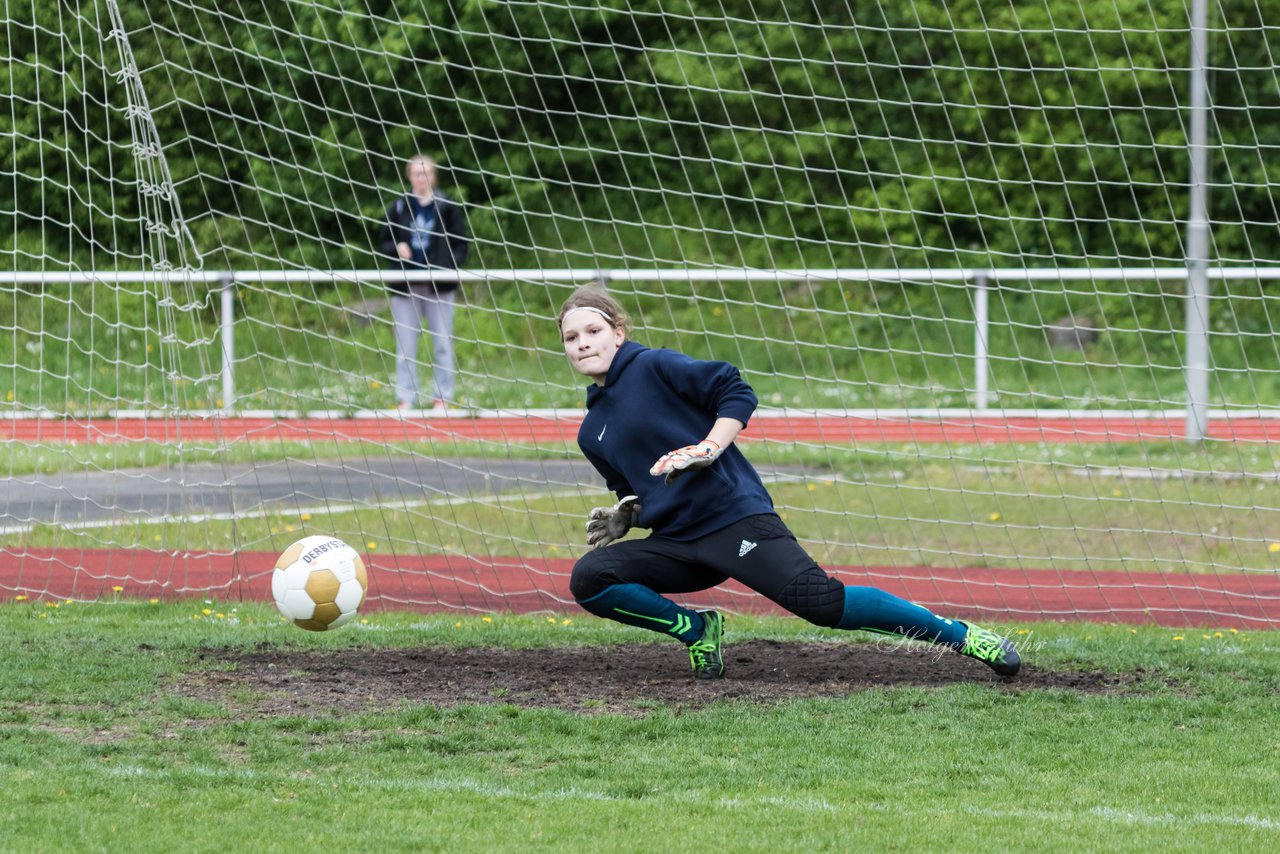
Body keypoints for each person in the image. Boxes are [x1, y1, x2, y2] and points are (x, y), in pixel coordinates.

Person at [559, 286, 1022, 680]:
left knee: (822, 604)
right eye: (571, 337)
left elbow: (734, 390)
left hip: (734, 522)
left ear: (618, 333)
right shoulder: (590, 431)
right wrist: (628, 517)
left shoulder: (655, 366)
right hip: (679, 545)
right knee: (591, 578)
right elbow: (638, 491)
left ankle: (966, 637)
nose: (583, 343)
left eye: (593, 331)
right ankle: (697, 631)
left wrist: (710, 447)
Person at [376, 154, 469, 410]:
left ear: (433, 176)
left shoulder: (447, 206)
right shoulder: (399, 206)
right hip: (406, 285)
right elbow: (382, 241)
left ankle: (442, 397)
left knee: (441, 343)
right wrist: (398, 247)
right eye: (416, 174)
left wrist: (448, 266)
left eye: (426, 173)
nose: (421, 178)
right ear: (409, 177)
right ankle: (406, 398)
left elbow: (462, 245)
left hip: (439, 285)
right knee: (405, 346)